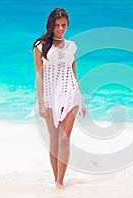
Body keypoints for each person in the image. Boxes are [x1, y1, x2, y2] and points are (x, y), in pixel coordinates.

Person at [29, 8, 86, 188]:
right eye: (57, 25)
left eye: (64, 25)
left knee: (63, 139)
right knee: (53, 140)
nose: (60, 29)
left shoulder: (72, 46)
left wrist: (81, 100)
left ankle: (61, 182)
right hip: (50, 96)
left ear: (67, 25)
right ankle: (56, 180)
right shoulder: (40, 46)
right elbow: (39, 75)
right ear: (51, 25)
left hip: (71, 94)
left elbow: (74, 74)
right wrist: (41, 103)